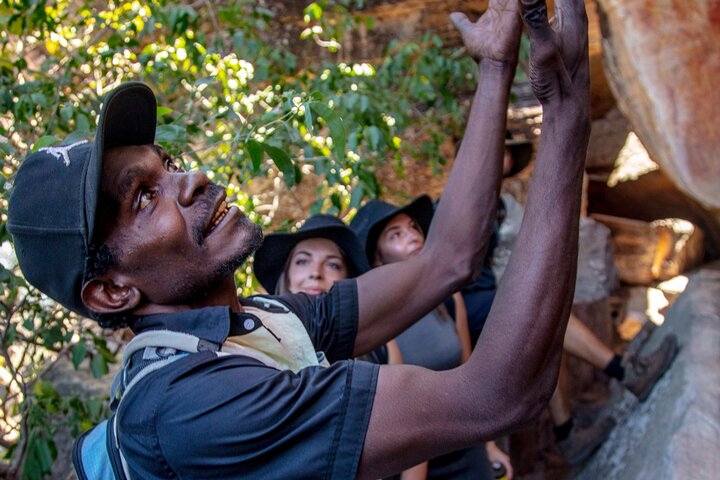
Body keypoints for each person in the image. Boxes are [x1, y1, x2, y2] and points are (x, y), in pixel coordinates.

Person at [7, 1, 606, 477]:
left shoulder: (260, 322)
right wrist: (566, 113)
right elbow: (497, 396)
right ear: (111, 291)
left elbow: (448, 260)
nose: (191, 180)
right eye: (144, 196)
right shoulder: (192, 408)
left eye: (168, 165)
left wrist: (497, 67)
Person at [462, 143, 679, 464]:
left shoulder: (504, 204)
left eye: (507, 155)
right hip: (472, 310)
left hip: (505, 301)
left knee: (542, 322)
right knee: (538, 313)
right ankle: (624, 373)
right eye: (497, 152)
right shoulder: (461, 205)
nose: (503, 160)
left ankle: (568, 434)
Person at [351, 195, 512, 479]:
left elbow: (468, 377)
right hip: (410, 458)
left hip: (463, 444)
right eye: (395, 235)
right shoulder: (370, 322)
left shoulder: (448, 297)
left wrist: (488, 446)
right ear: (377, 258)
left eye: (414, 227)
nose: (412, 237)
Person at [253, 214, 423, 478]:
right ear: (285, 275)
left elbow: (412, 433)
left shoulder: (382, 347)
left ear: (349, 282)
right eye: (302, 261)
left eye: (332, 265)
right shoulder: (255, 355)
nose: (315, 272)